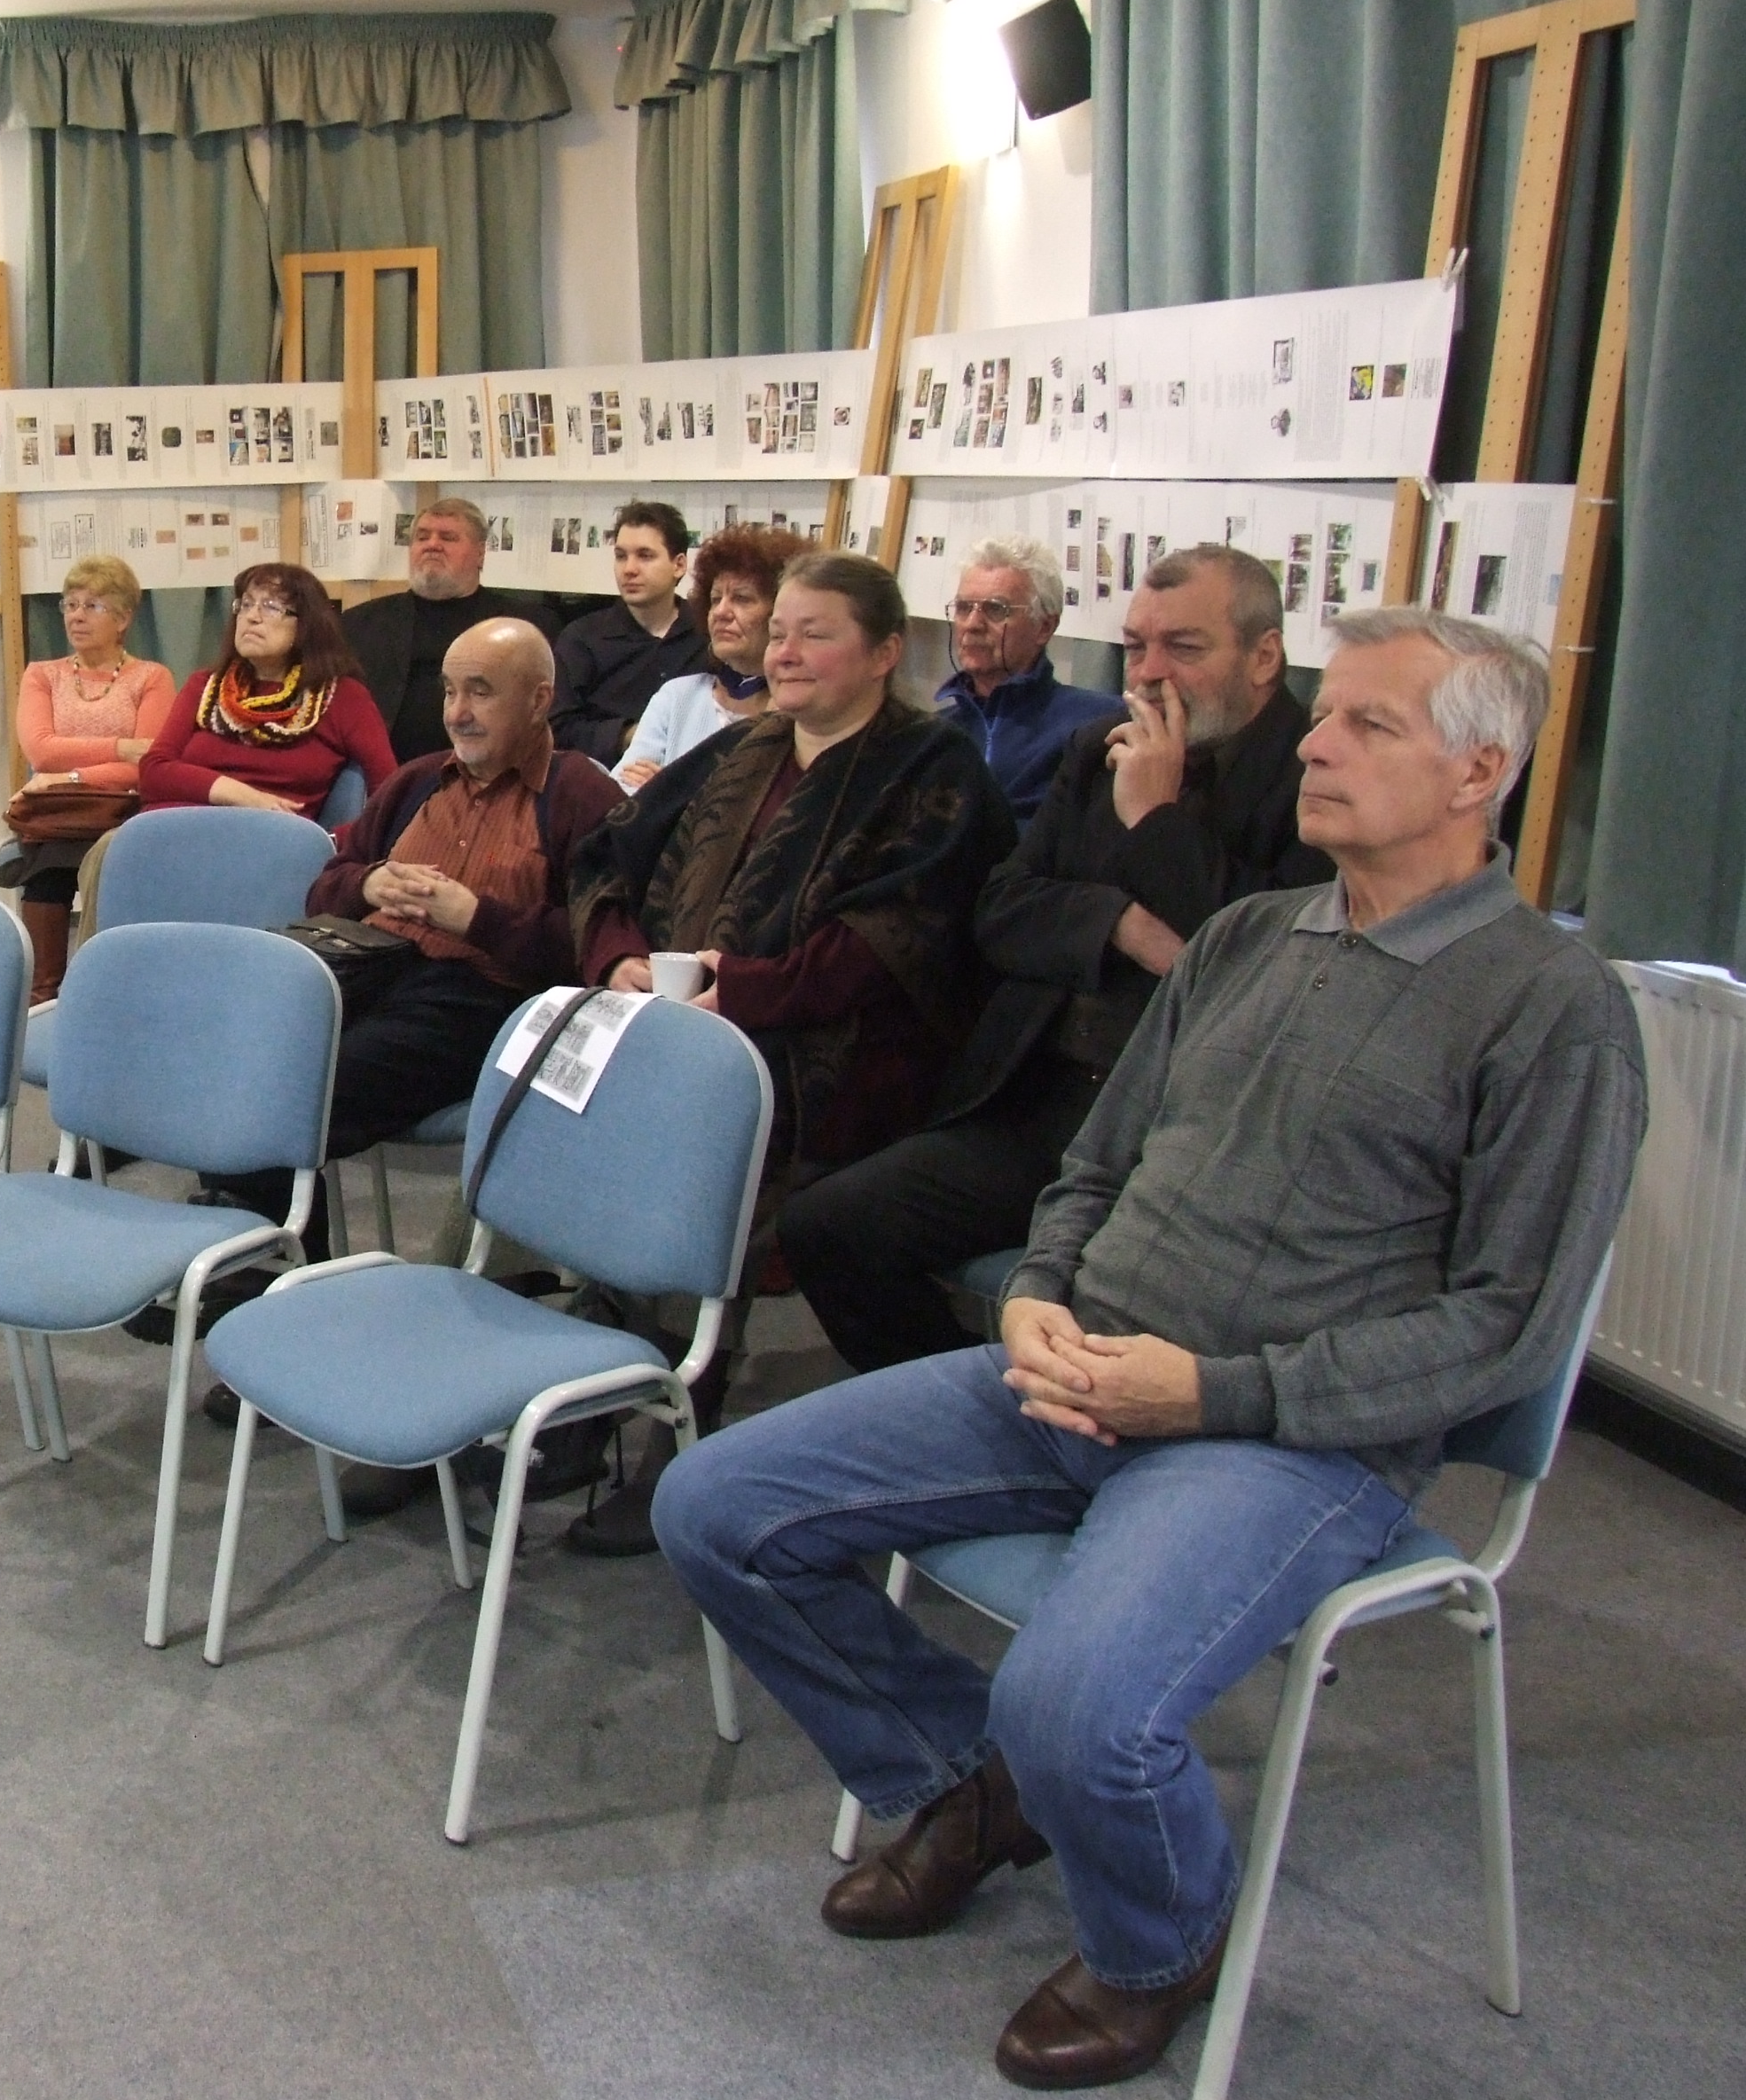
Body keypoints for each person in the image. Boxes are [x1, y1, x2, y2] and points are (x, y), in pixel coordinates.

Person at [653, 607, 1645, 2091]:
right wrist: (1036, 1293)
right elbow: (1094, 1166)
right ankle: (968, 1786)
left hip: (1290, 1437)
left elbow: (1505, 1327)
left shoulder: (1552, 1008)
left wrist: (1213, 1392)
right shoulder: (1247, 939)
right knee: (714, 1507)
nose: (1313, 745)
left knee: (1075, 1703)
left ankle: (1158, 1939)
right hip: (1080, 1363)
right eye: (1324, 715)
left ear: (1477, 773)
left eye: (1366, 724)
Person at [781, 545, 1330, 1376]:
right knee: (827, 1226)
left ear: (1264, 657)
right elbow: (1002, 910)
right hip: (1045, 1095)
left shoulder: (1312, 779)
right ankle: (966, 1397)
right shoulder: (1097, 748)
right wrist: (1120, 924)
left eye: (1183, 648)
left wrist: (1156, 819)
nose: (1149, 673)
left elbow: (1263, 960)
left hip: (1187, 1127)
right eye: (1135, 647)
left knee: (1117, 1301)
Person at [567, 553, 1014, 1554]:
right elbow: (608, 852)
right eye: (780, 632)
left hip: (842, 1055)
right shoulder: (743, 750)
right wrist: (619, 956)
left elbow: (896, 938)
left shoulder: (931, 768)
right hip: (689, 1023)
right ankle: (592, 1386)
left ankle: (685, 1413)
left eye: (816, 633)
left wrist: (750, 994)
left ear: (884, 652)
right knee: (586, 1106)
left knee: (715, 1143)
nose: (786, 651)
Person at [205, 616, 629, 1503]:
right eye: (450, 691)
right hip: (372, 964)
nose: (458, 710)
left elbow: (597, 946)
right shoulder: (414, 782)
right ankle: (283, 1304)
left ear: (539, 701)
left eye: (482, 692)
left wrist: (476, 917)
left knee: (291, 1101)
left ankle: (285, 1315)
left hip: (481, 996)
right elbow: (327, 880)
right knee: (237, 1074)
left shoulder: (579, 795)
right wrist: (368, 884)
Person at [8, 555, 174, 1005]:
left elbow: (146, 766)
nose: (76, 616)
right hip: (58, 817)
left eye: (93, 605)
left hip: (122, 814)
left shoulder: (152, 678)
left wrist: (67, 776)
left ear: (123, 618)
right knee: (47, 861)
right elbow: (42, 750)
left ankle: (106, 995)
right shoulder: (43, 675)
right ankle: (44, 1000)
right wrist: (120, 747)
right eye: (70, 604)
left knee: (117, 857)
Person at [137, 564, 395, 819]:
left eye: (271, 607)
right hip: (176, 824)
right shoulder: (205, 685)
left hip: (271, 836)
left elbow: (391, 796)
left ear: (306, 624)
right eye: (246, 604)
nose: (252, 616)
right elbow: (153, 771)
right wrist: (246, 797)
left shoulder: (343, 696)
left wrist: (334, 839)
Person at [338, 498, 561, 764]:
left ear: (480, 553)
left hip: (492, 769)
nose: (432, 545)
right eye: (422, 537)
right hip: (381, 773)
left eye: (448, 537)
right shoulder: (358, 624)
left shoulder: (523, 627)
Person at [936, 539, 1121, 819]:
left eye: (995, 609)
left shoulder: (1094, 725)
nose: (972, 624)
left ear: (1044, 627)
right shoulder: (934, 734)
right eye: (963, 608)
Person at [615, 526, 800, 788]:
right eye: (715, 599)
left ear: (781, 613)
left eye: (742, 599)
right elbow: (622, 791)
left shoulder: (798, 709)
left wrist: (668, 792)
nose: (721, 612)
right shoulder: (677, 697)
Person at [549, 501, 707, 763]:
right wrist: (631, 736)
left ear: (678, 565)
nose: (629, 569)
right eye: (621, 556)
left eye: (645, 556)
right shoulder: (582, 639)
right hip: (604, 777)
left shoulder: (706, 635)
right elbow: (556, 729)